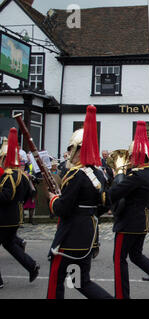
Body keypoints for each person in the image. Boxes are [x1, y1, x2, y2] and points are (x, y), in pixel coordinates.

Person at [46, 105, 113, 299]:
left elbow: (63, 209)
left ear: (77, 150)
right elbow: (105, 203)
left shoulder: (75, 174)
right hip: (90, 233)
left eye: (70, 150)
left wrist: (53, 199)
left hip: (70, 236)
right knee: (80, 281)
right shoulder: (98, 173)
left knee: (56, 281)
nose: (69, 154)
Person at [108, 121, 149, 299]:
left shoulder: (136, 176)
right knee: (136, 255)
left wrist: (119, 174)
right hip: (142, 221)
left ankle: (121, 296)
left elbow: (114, 193)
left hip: (129, 222)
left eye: (130, 157)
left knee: (119, 259)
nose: (129, 160)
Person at [0, 128, 40, 288]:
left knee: (9, 244)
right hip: (15, 216)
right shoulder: (22, 175)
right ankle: (31, 266)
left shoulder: (9, 175)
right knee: (10, 245)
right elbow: (30, 193)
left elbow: (5, 197)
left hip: (3, 218)